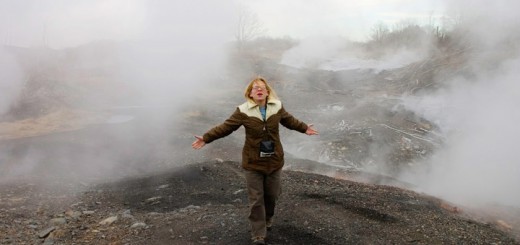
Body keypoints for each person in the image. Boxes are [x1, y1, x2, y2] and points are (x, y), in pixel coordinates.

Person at [192, 76, 318, 245]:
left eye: (262, 87)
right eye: (255, 88)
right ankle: (258, 234)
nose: (259, 90)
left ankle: (268, 218)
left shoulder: (277, 106)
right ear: (250, 93)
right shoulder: (243, 111)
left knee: (271, 196)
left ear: (267, 92)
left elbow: (289, 121)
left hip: (274, 161)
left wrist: (304, 128)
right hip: (253, 163)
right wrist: (206, 138)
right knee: (256, 198)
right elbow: (226, 127)